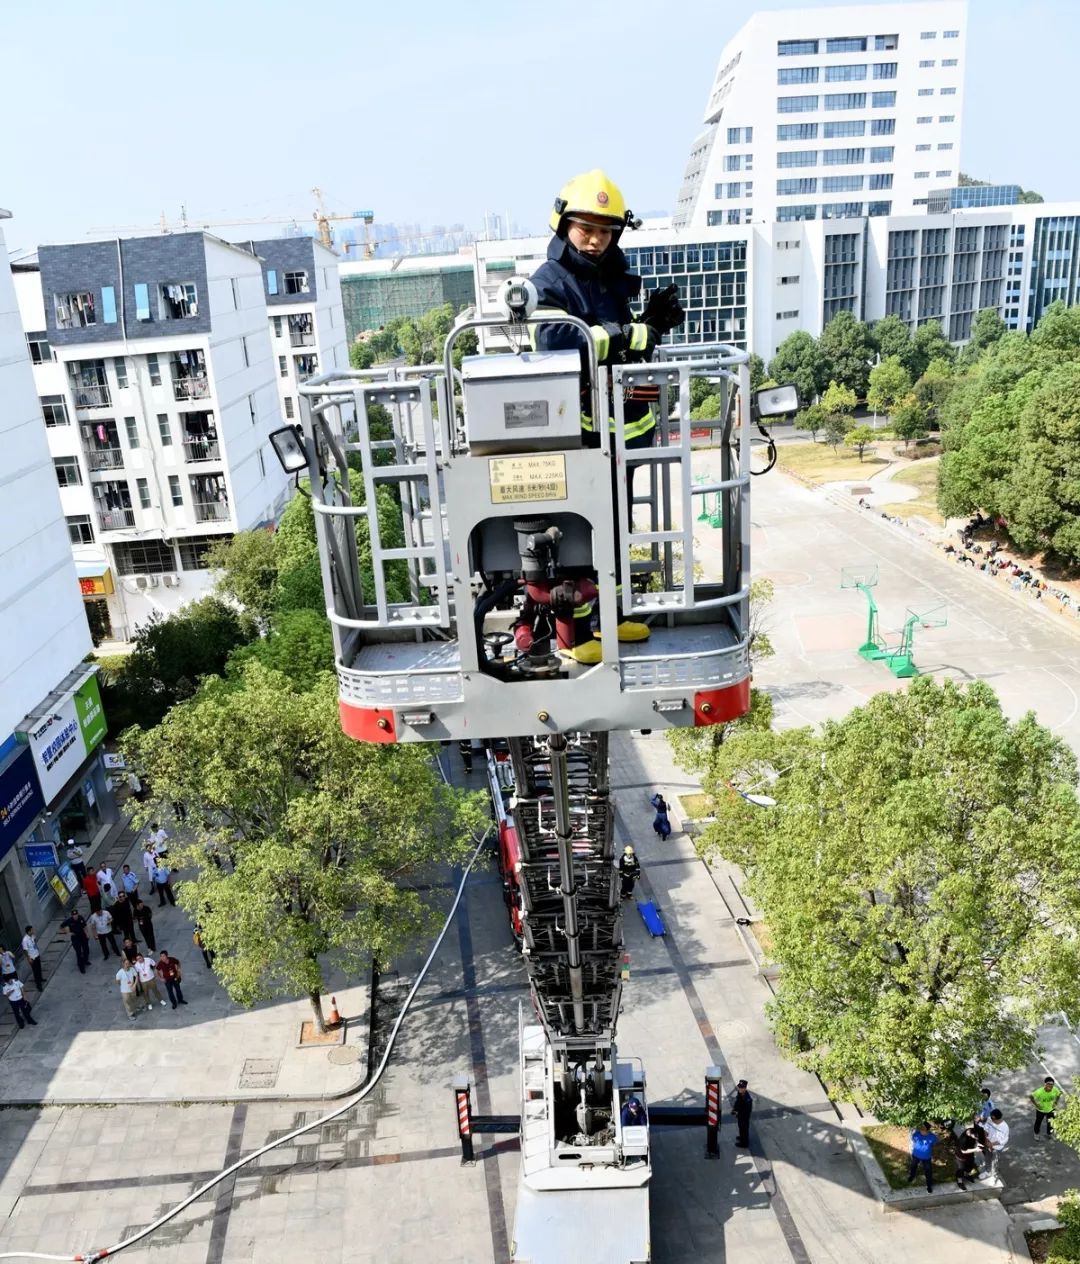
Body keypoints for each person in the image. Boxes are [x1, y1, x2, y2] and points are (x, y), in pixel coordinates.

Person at [530, 169, 685, 663]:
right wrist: (623, 335)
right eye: (585, 229)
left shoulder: (612, 274)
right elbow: (558, 343)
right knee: (581, 535)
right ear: (564, 226)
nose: (595, 240)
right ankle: (576, 640)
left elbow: (620, 339)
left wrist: (650, 325)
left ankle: (613, 619)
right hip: (578, 436)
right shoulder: (549, 282)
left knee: (619, 530)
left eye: (605, 231)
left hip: (622, 431)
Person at [907, 1122, 938, 1192]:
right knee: (913, 1166)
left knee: (928, 1171)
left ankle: (929, 1185)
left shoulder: (932, 1137)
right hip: (916, 1155)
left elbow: (934, 1143)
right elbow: (913, 1139)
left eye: (923, 1128)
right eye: (921, 1127)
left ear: (927, 1130)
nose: (921, 1129)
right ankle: (912, 1176)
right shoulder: (916, 1134)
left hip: (926, 1157)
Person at [59, 910, 91, 974]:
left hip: (83, 936)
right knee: (79, 952)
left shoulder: (81, 918)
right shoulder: (69, 921)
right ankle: (81, 967)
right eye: (74, 915)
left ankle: (85, 960)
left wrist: (87, 934)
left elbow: (84, 926)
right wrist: (68, 932)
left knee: (86, 950)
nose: (75, 916)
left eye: (76, 915)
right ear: (72, 916)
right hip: (75, 938)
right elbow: (61, 927)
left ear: (78, 914)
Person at [954, 1121, 983, 1189]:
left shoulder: (974, 1131)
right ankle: (959, 1181)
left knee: (970, 1166)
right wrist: (976, 1149)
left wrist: (978, 1143)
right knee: (961, 1169)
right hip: (961, 1156)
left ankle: (967, 1176)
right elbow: (964, 1151)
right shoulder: (963, 1140)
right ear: (971, 1133)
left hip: (970, 1154)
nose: (976, 1138)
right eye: (976, 1137)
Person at [984, 1109, 1009, 1179]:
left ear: (996, 1119)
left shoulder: (1004, 1127)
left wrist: (991, 1144)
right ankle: (987, 1171)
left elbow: (1004, 1140)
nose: (990, 1119)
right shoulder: (990, 1119)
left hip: (997, 1148)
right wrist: (986, 1140)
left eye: (992, 1118)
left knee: (995, 1161)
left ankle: (994, 1174)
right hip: (988, 1143)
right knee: (987, 1158)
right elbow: (985, 1129)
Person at [732, 1080, 754, 1148]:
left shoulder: (748, 1100)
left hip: (744, 1117)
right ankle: (742, 1137)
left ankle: (744, 1144)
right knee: (741, 1128)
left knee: (744, 1129)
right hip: (740, 1116)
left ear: (745, 1088)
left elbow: (747, 1111)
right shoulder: (740, 1093)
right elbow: (737, 1102)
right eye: (739, 1087)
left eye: (741, 1088)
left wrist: (738, 1113)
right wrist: (735, 1109)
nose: (739, 1089)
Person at [21, 926, 43, 990]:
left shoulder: (32, 936)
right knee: (35, 971)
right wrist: (29, 958)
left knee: (39, 968)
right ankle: (38, 985)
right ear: (29, 931)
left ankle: (40, 979)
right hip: (32, 957)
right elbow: (25, 950)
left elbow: (35, 941)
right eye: (32, 930)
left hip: (36, 954)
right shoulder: (25, 940)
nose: (33, 931)